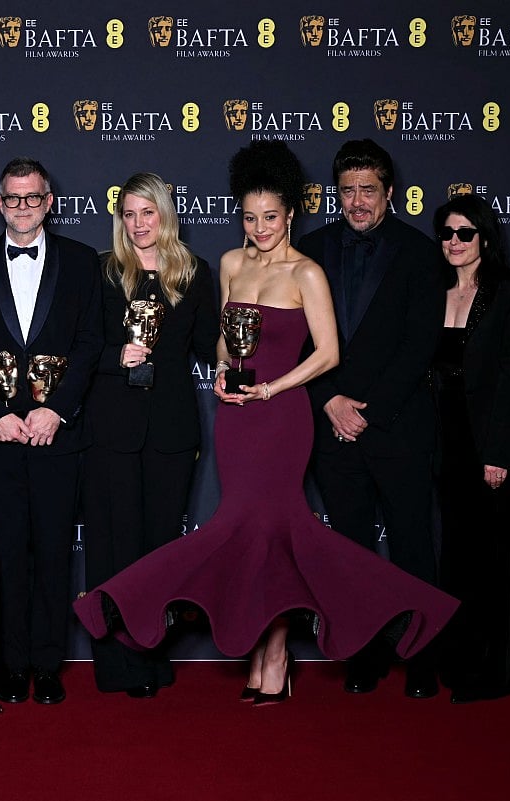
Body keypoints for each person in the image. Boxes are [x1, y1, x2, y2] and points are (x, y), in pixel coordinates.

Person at [75, 141, 457, 705]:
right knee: (250, 538)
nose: (259, 228)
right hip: (236, 419)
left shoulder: (306, 272)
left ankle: (293, 650)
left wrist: (273, 388)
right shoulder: (229, 264)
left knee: (280, 534)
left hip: (281, 416)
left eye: (270, 217)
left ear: (291, 216)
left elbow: (327, 354)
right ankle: (257, 650)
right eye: (250, 218)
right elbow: (227, 343)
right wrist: (228, 375)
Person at [296, 139, 447, 699]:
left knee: (412, 545)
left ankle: (423, 656)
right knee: (351, 548)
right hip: (332, 426)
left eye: (368, 190)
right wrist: (331, 401)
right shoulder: (307, 249)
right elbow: (298, 342)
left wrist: (371, 410)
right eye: (347, 190)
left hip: (399, 426)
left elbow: (419, 344)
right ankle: (362, 654)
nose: (357, 202)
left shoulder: (419, 251)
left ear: (389, 192)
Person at [0, 157, 103, 705]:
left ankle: (47, 665)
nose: (23, 208)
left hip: (58, 436)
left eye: (33, 198)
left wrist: (56, 410)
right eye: (13, 199)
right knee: (7, 554)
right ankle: (11, 664)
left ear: (49, 202)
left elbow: (90, 344)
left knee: (52, 554)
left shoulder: (83, 262)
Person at [81, 173, 219, 698]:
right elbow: (77, 349)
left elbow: (212, 348)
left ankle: (151, 656)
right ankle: (116, 665)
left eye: (148, 213)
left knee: (160, 553)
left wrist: (247, 358)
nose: (138, 224)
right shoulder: (100, 272)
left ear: (165, 214)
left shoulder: (195, 273)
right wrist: (116, 359)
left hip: (171, 432)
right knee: (115, 551)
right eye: (129, 214)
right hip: (112, 430)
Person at [429, 194, 510, 703]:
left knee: (495, 558)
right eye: (447, 233)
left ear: (485, 237)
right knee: (458, 554)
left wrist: (499, 453)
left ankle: (497, 670)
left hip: (491, 443)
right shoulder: (435, 288)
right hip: (445, 442)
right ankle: (459, 659)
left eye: (465, 233)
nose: (454, 242)